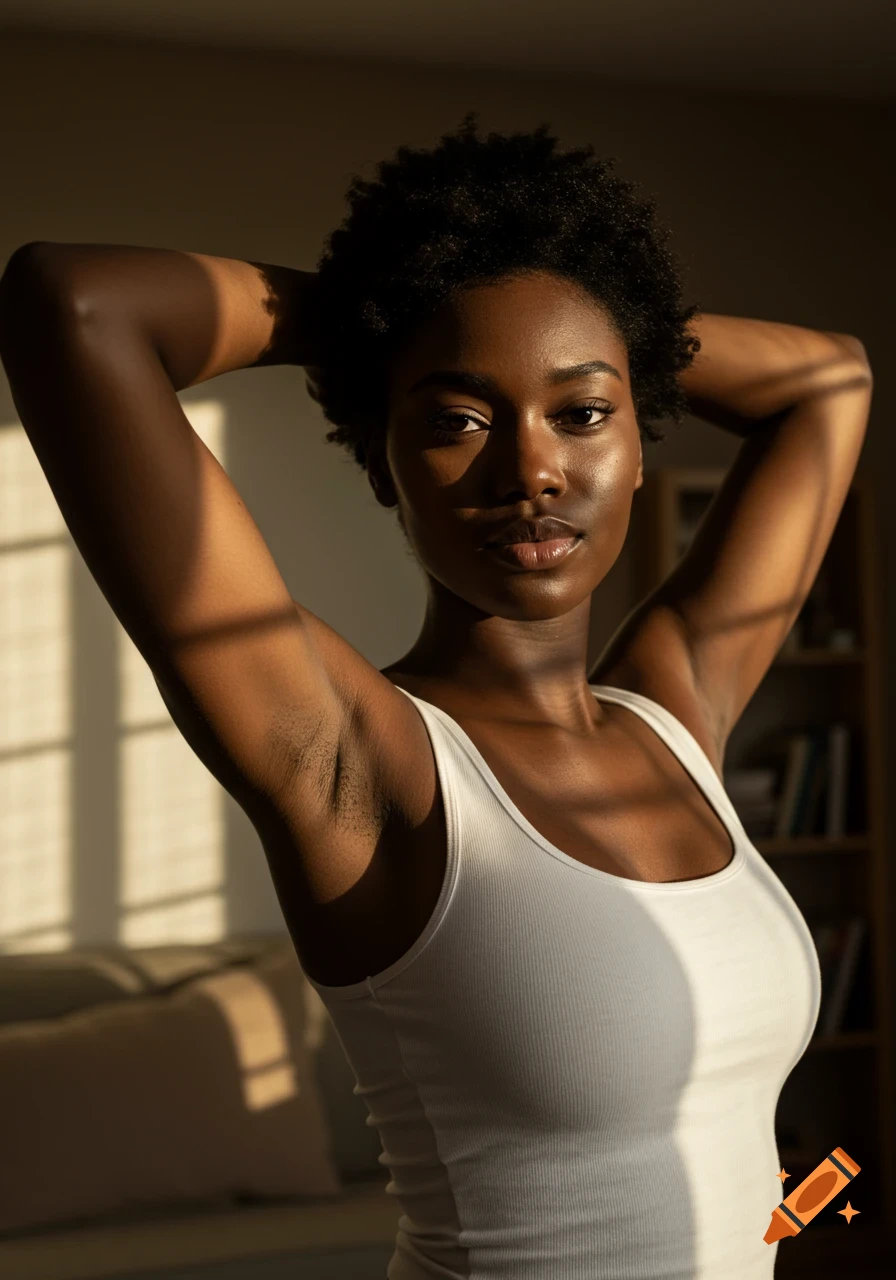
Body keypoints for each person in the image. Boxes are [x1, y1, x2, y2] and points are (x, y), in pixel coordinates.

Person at [0, 114, 873, 1278]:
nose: (532, 469)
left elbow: (829, 380)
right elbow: (76, 308)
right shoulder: (356, 756)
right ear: (383, 457)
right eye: (460, 418)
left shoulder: (675, 714)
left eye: (582, 410)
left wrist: (606, 324)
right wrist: (384, 318)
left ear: (635, 437)